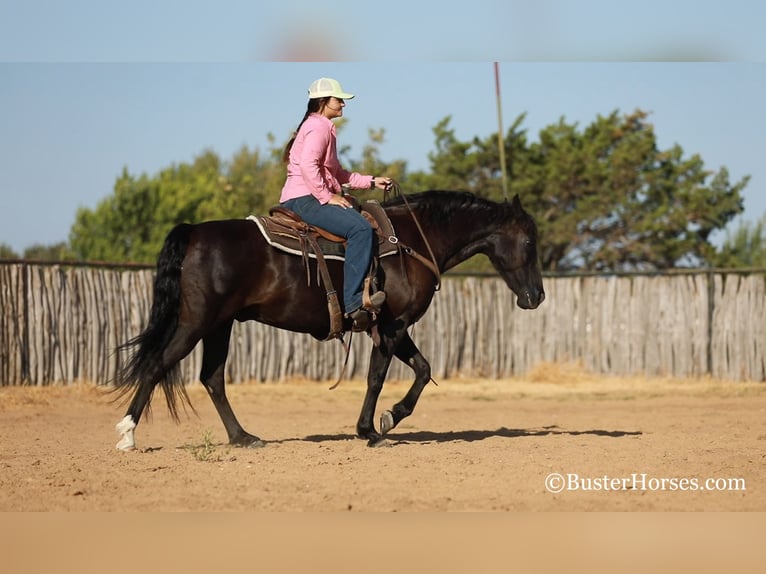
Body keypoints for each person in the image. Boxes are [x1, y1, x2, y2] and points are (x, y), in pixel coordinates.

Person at [280, 77, 392, 330]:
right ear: (323, 102)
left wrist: (372, 181)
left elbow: (338, 174)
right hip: (304, 199)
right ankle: (352, 303)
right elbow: (309, 166)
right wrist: (326, 196)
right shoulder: (319, 128)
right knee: (360, 229)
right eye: (338, 99)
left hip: (303, 196)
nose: (343, 104)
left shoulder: (319, 126)